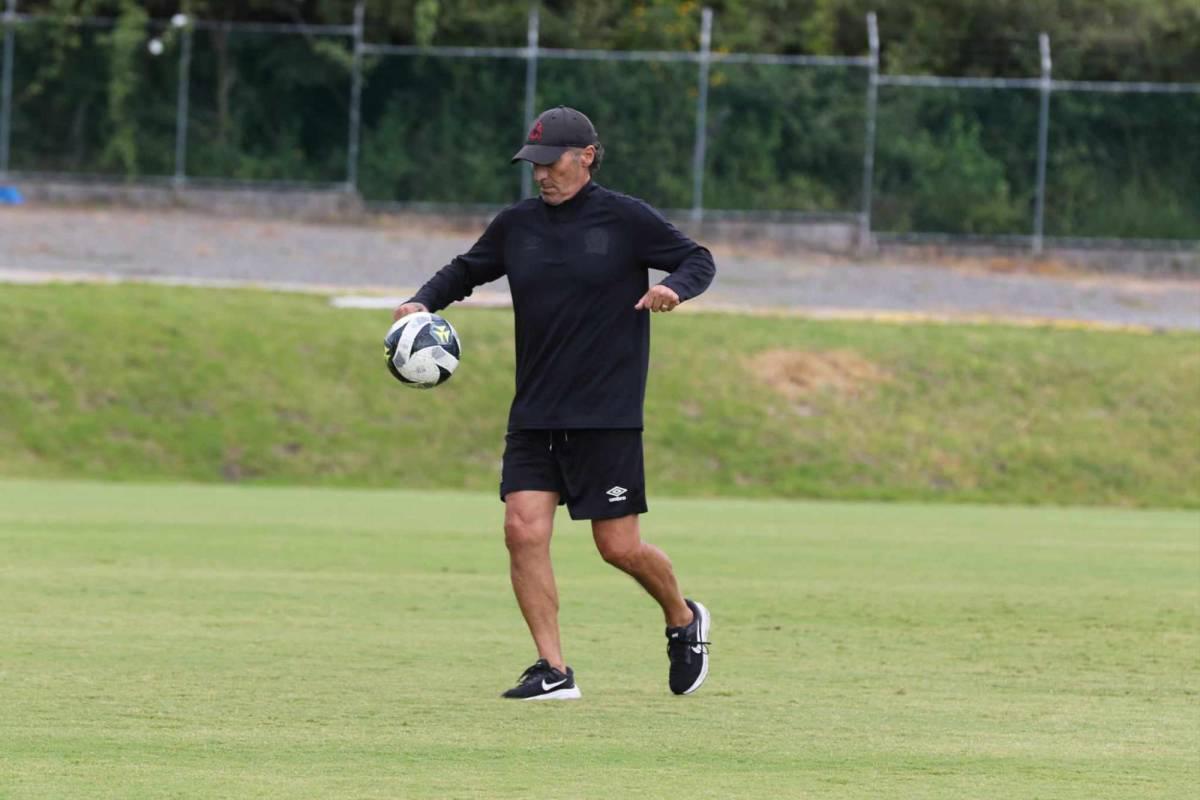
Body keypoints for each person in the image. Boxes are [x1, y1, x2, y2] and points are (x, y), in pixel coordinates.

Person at [393, 106, 716, 700]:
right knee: (522, 530)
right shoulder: (518, 225)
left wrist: (673, 288)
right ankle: (553, 669)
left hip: (607, 413)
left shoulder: (626, 219)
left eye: (550, 162)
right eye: (532, 164)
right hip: (536, 412)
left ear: (586, 157)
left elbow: (699, 258)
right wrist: (422, 301)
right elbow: (468, 269)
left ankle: (682, 617)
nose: (540, 174)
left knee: (617, 547)